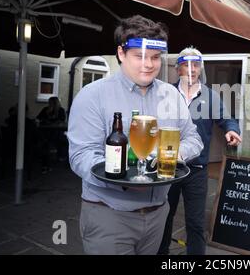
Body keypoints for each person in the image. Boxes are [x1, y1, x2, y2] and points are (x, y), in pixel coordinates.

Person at [67, 15, 203, 255]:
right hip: (109, 215)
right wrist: (125, 177)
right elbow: (81, 156)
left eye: (154, 57)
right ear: (121, 53)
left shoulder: (171, 96)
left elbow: (194, 139)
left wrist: (174, 153)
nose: (148, 64)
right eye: (139, 56)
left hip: (158, 214)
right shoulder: (92, 95)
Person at [158, 46, 242, 255]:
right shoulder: (164, 93)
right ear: (178, 69)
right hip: (168, 167)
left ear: (200, 69)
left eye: (196, 65)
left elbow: (227, 118)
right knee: (163, 218)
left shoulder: (210, 96)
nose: (191, 69)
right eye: (186, 64)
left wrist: (232, 130)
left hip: (196, 169)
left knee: (195, 223)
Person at [36, 96, 67, 173]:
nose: (50, 104)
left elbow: (62, 120)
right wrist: (47, 114)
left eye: (52, 103)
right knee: (45, 143)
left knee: (48, 142)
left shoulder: (61, 110)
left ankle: (47, 163)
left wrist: (54, 120)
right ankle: (46, 164)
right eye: (49, 103)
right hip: (45, 132)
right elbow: (38, 118)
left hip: (57, 132)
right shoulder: (45, 109)